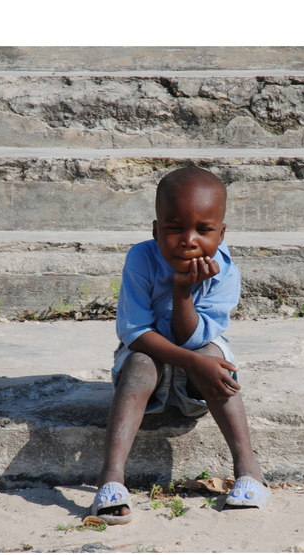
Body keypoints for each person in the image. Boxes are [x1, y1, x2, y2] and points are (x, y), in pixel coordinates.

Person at [92, 166, 270, 525]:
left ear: (220, 234)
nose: (189, 240)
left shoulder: (225, 270)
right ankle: (110, 479)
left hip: (198, 384)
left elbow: (196, 340)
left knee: (213, 357)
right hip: (147, 377)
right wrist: (191, 360)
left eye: (203, 230)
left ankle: (250, 471)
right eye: (174, 228)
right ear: (156, 230)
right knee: (141, 361)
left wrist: (183, 292)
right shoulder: (140, 259)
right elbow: (135, 333)